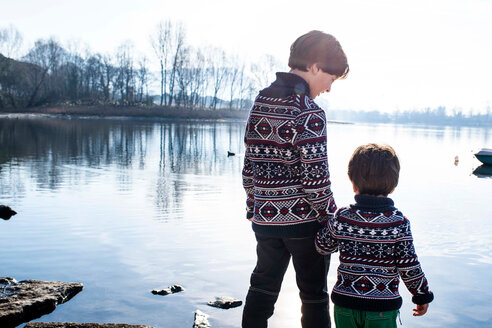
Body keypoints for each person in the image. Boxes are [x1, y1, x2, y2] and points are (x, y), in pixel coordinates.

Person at [241, 30, 349, 328]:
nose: (328, 88)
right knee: (313, 296)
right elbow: (316, 181)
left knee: (262, 289)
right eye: (330, 78)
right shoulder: (309, 112)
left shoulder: (260, 101)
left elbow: (250, 164)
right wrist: (332, 220)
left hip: (264, 218)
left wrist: (255, 204)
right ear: (315, 66)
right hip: (303, 223)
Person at [316, 143, 434, 328]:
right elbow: (409, 265)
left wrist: (328, 223)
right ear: (393, 185)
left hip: (345, 305)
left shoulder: (342, 217)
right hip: (382, 307)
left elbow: (322, 246)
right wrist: (421, 294)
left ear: (353, 182)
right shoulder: (398, 223)